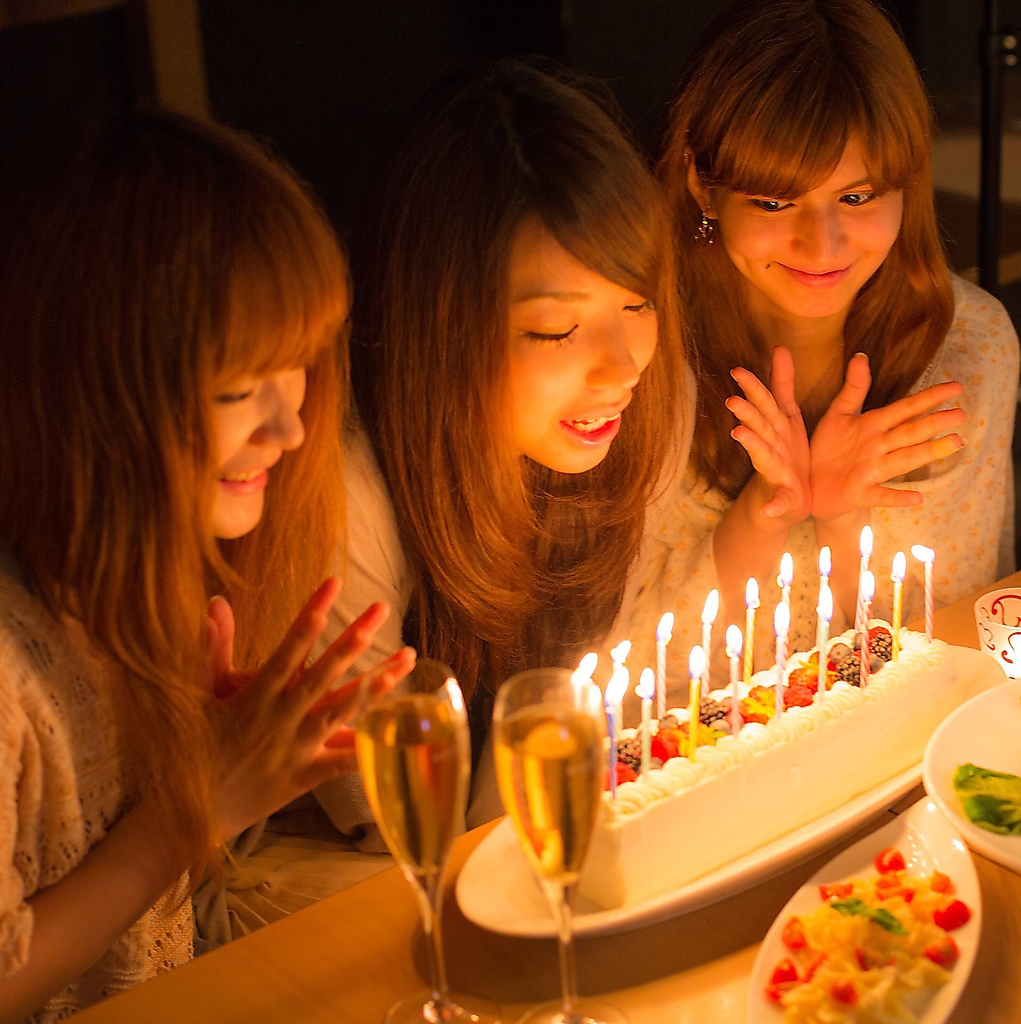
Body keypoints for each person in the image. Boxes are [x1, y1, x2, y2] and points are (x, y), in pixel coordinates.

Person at [0, 111, 414, 1023]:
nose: (290, 429)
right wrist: (192, 810)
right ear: (92, 396)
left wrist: (209, 758)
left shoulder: (142, 588)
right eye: (236, 387)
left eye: (294, 366)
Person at [313, 58, 692, 844]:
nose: (622, 366)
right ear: (440, 324)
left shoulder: (647, 404)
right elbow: (391, 830)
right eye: (555, 330)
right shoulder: (348, 492)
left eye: (637, 303)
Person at [633, 0, 1018, 686]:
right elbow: (625, 677)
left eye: (857, 196)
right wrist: (761, 515)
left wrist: (843, 519)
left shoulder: (968, 349)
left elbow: (952, 666)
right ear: (702, 185)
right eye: (774, 202)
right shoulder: (636, 358)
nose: (822, 246)